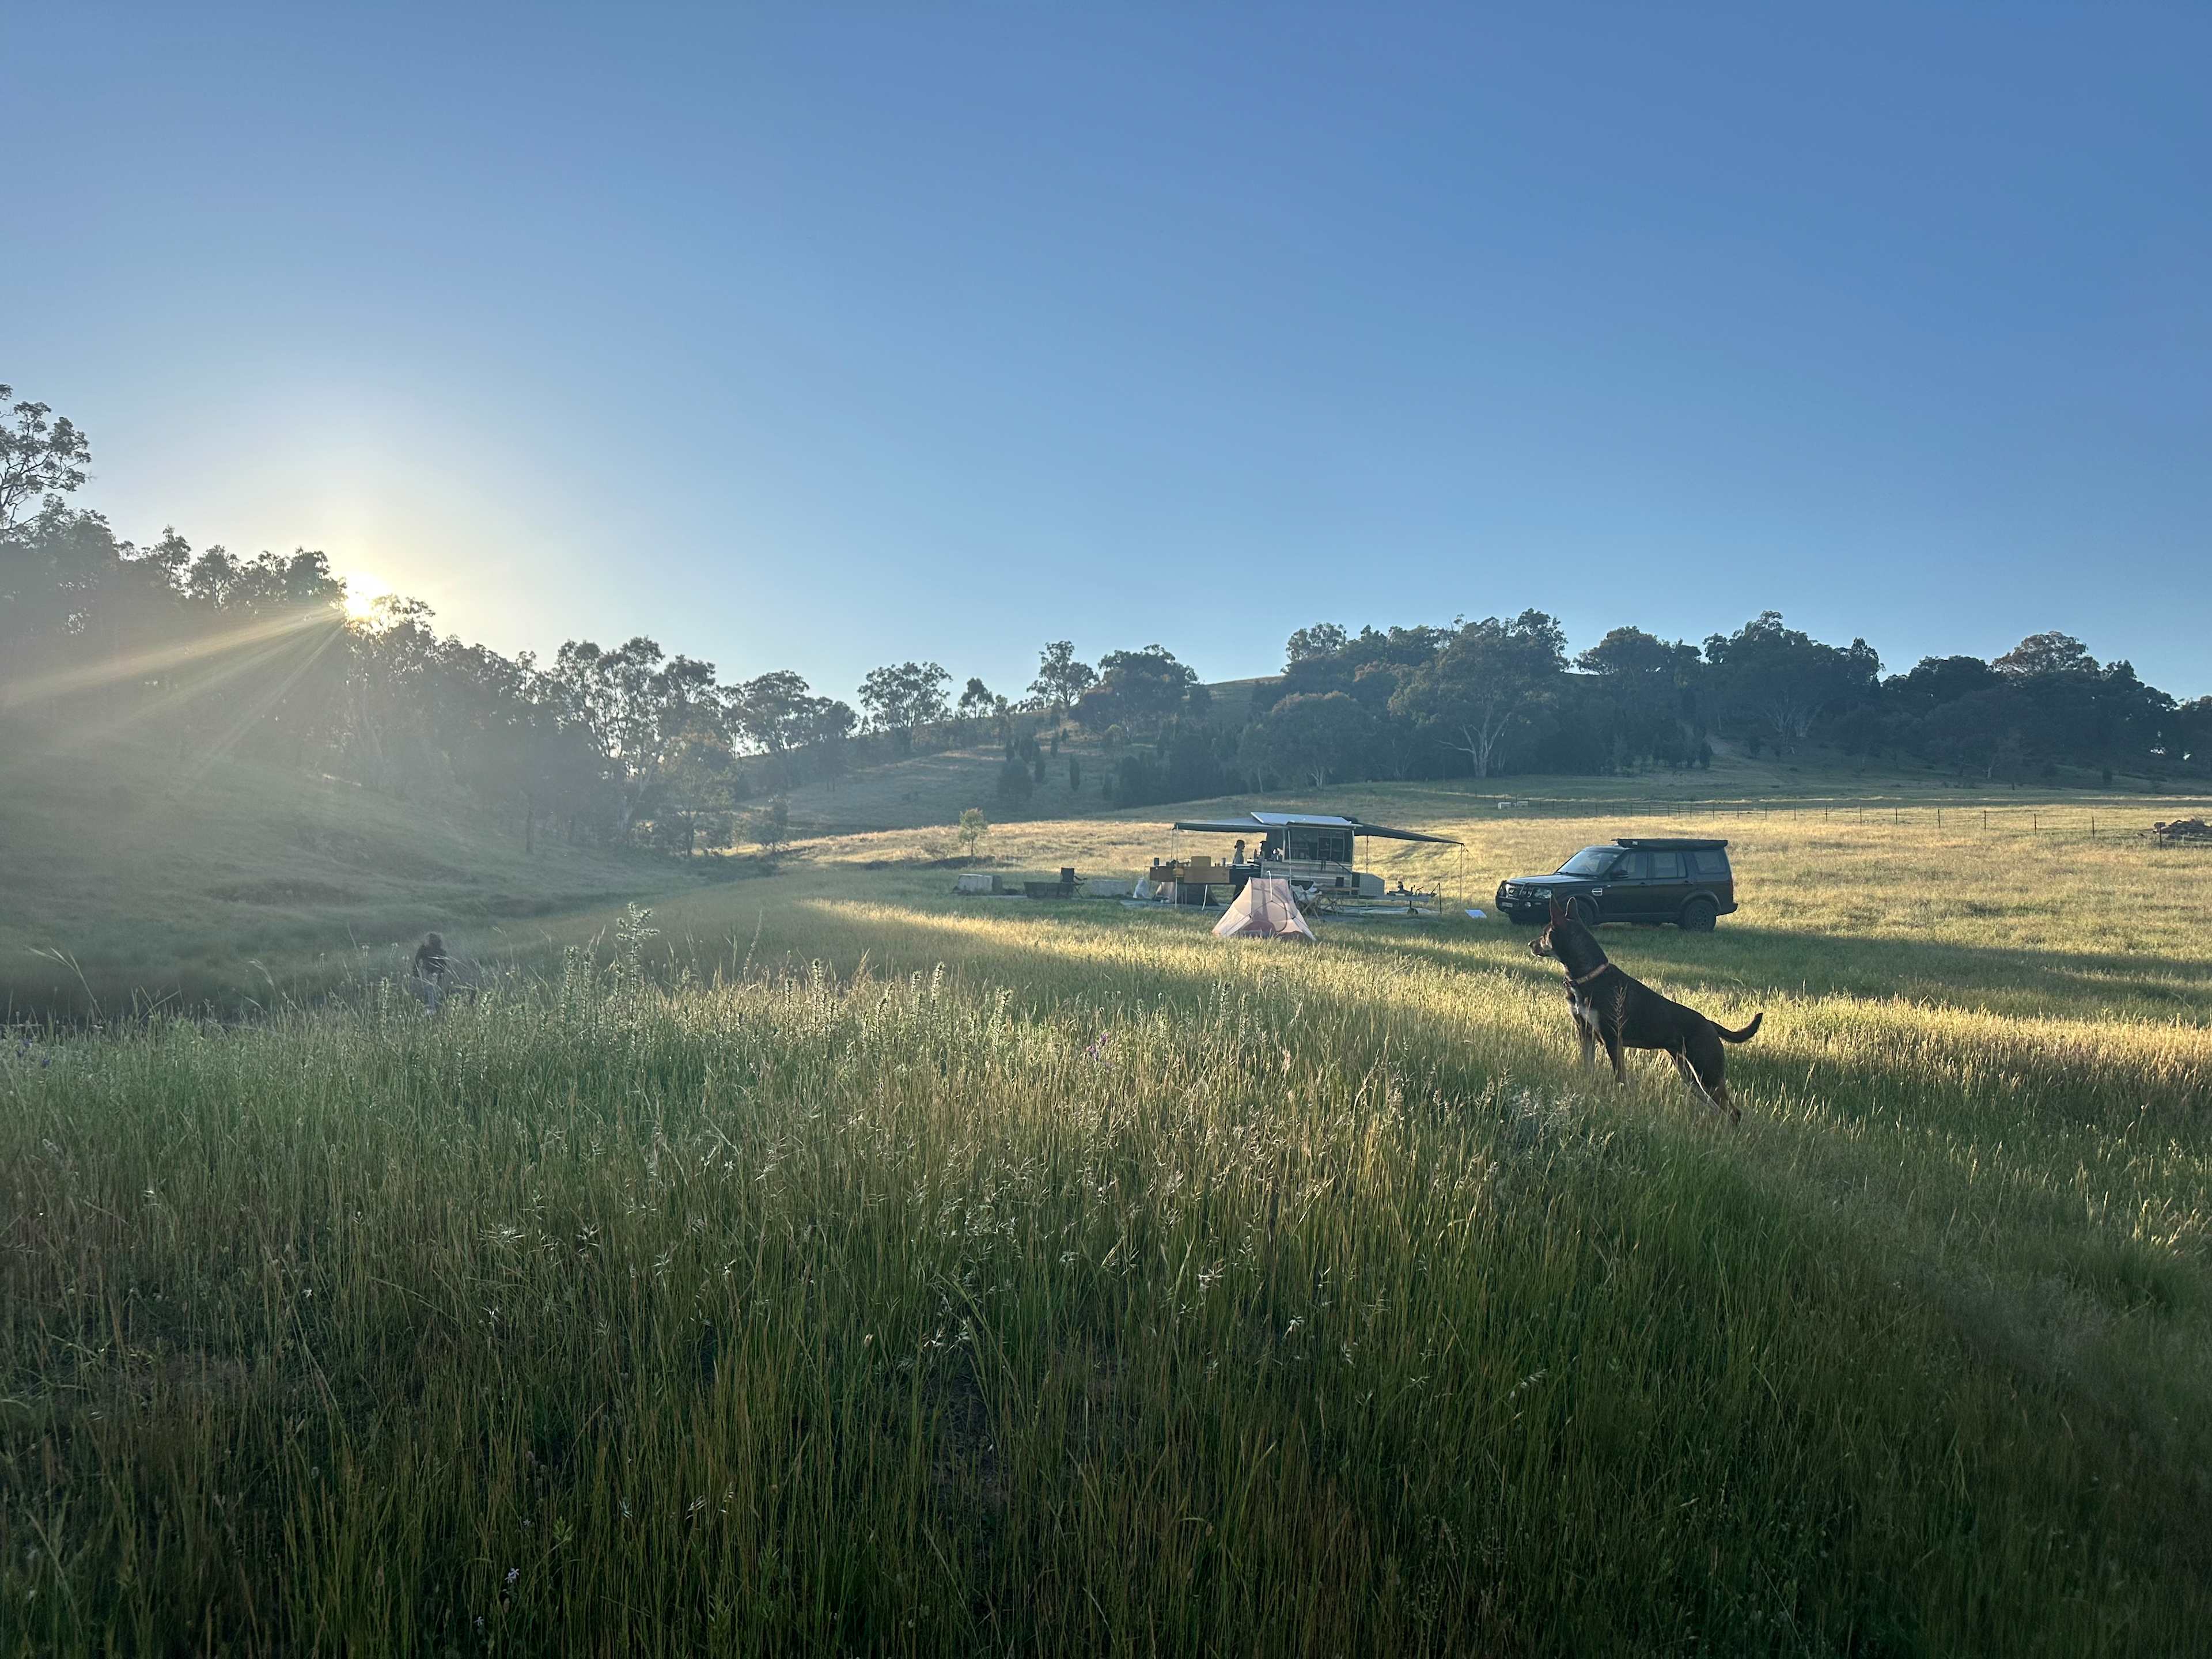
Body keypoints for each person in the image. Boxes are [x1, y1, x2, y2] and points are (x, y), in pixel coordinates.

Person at [411, 931, 449, 1011]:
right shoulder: (425, 949)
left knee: (430, 989)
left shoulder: (438, 951)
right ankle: (433, 1007)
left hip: (434, 972)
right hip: (429, 972)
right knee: (428, 990)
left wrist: (439, 974)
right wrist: (416, 971)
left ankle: (432, 1009)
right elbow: (417, 959)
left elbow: (443, 964)